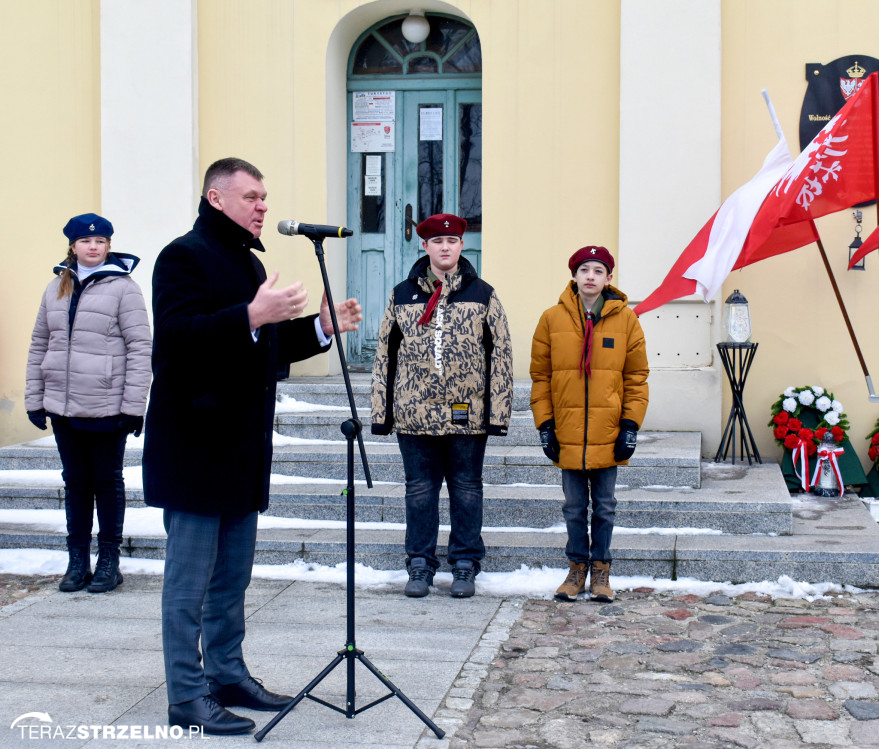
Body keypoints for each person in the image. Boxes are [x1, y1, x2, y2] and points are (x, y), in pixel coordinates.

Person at [142, 158, 361, 736]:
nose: (263, 205)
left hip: (238, 451)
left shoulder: (244, 261)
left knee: (232, 579)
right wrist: (251, 314)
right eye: (252, 196)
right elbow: (180, 339)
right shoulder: (183, 256)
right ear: (217, 199)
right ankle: (187, 697)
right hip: (194, 448)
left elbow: (257, 347)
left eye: (265, 196)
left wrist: (318, 328)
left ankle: (228, 675)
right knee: (188, 584)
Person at [370, 213, 513, 599]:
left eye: (452, 241)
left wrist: (498, 414)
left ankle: (465, 564)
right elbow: (385, 352)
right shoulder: (402, 294)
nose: (445, 247)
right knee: (419, 492)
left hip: (467, 414)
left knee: (466, 491)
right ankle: (420, 565)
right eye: (437, 242)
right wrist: (381, 413)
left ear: (462, 246)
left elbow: (501, 353)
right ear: (425, 246)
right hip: (414, 415)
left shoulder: (482, 293)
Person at [25, 213, 152, 594]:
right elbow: (39, 344)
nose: (93, 247)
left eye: (100, 241)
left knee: (107, 481)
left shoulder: (124, 288)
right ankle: (77, 559)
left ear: (109, 245)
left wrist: (134, 405)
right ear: (73, 246)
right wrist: (35, 399)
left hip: (107, 405)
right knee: (76, 483)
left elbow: (140, 347)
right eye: (85, 242)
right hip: (62, 406)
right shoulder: (55, 288)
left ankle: (109, 560)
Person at [530, 246, 649, 603]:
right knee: (573, 505)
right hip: (567, 431)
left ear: (609, 278)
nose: (591, 276)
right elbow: (540, 377)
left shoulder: (627, 321)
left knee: (606, 504)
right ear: (575, 276)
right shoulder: (552, 319)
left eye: (599, 270)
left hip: (608, 431)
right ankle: (576, 567)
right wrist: (545, 424)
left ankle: (601, 570)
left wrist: (630, 424)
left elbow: (636, 378)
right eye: (585, 270)